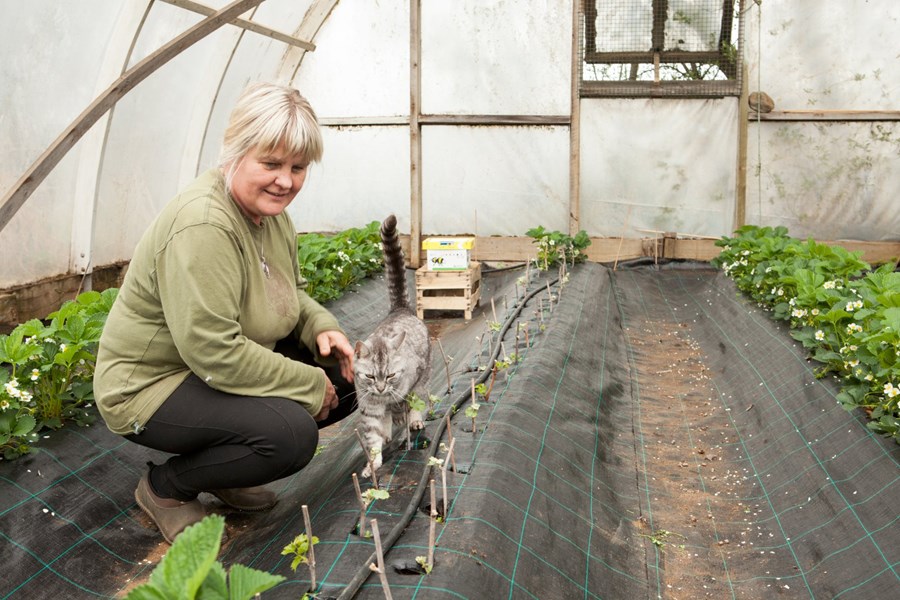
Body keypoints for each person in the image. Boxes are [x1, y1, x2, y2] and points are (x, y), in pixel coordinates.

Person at [94, 82, 356, 544]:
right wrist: (307, 383)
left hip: (206, 370)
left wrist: (322, 325)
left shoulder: (272, 215)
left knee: (346, 379)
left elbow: (289, 294)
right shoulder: (204, 225)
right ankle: (166, 488)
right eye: (271, 163)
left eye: (298, 167)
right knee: (291, 436)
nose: (286, 180)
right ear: (235, 153)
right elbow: (214, 352)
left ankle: (224, 467)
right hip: (152, 386)